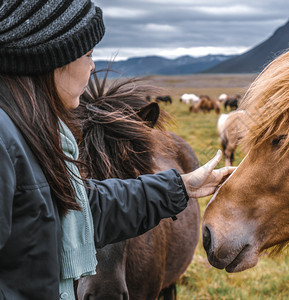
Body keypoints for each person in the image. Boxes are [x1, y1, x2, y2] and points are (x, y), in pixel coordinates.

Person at [0, 1, 235, 299]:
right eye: (88, 54)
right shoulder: (6, 141)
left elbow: (80, 208)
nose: (93, 66)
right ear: (54, 58)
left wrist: (180, 185)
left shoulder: (32, 134)